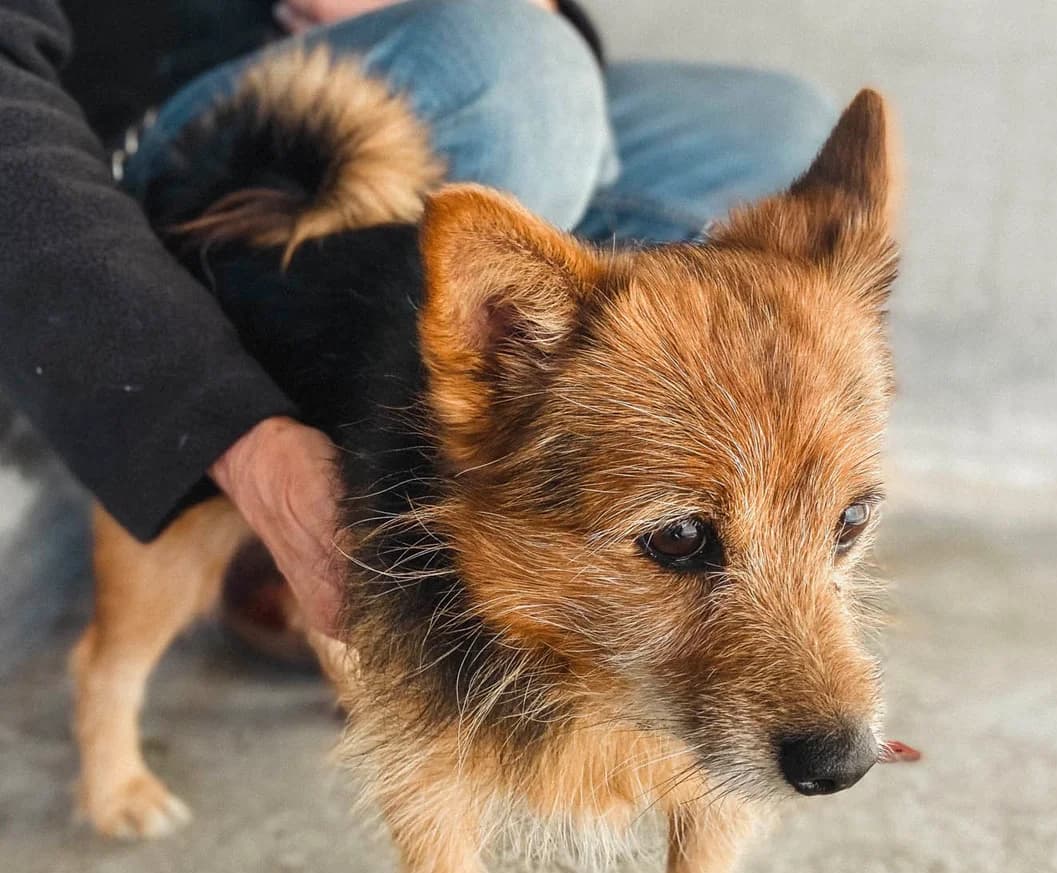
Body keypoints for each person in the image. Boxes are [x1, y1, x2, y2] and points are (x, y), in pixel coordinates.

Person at [0, 0, 833, 639]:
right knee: (509, 77)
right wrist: (231, 434)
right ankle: (378, 528)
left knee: (781, 132)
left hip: (413, 66)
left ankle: (585, 511)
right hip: (146, 146)